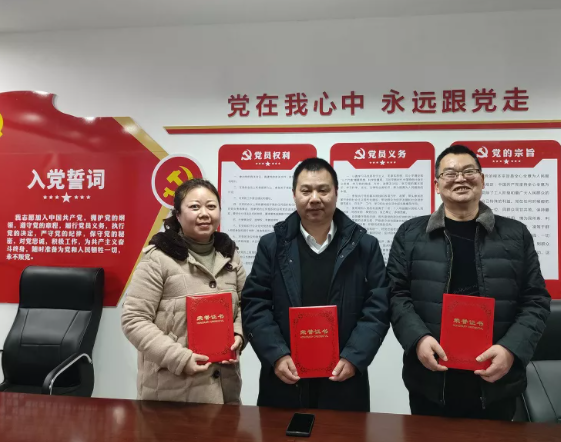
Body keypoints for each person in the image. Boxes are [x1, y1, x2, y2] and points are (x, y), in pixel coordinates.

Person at [387, 144, 551, 420]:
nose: (460, 179)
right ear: (437, 185)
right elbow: (396, 295)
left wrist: (511, 349)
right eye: (450, 173)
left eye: (469, 171)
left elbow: (535, 300)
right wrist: (418, 339)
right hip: (431, 379)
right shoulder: (410, 234)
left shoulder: (515, 234)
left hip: (495, 381)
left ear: (482, 180)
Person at [241, 157, 390, 411]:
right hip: (285, 377)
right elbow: (255, 304)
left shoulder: (365, 246)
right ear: (294, 194)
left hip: (344, 378)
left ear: (336, 192)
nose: (315, 198)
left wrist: (354, 357)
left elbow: (379, 307)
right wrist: (276, 355)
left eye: (323, 190)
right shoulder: (271, 245)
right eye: (306, 191)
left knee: (342, 432)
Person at [121, 178, 246, 404]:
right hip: (172, 391)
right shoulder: (158, 258)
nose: (204, 214)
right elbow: (134, 319)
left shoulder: (230, 255)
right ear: (178, 215)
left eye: (211, 206)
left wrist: (239, 333)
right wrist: (179, 358)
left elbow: (247, 306)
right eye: (194, 207)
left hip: (225, 390)